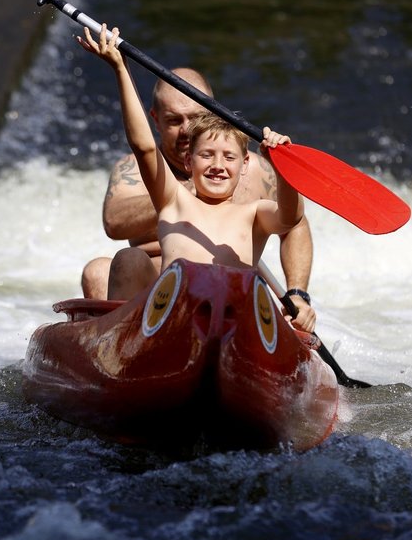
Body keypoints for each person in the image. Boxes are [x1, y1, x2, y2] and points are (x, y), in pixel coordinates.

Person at [78, 44, 317, 331]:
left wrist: (283, 169)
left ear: (243, 164)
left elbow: (292, 219)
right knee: (117, 263)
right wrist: (120, 68)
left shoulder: (254, 203)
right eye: (174, 120)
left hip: (233, 308)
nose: (187, 131)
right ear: (190, 161)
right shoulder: (170, 197)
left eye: (228, 157)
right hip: (166, 304)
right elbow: (142, 149)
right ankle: (120, 348)